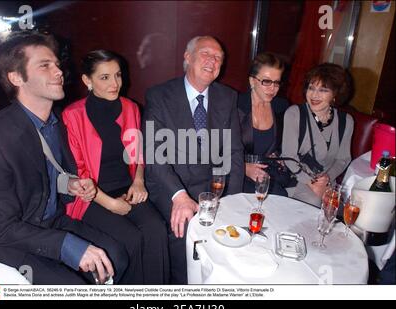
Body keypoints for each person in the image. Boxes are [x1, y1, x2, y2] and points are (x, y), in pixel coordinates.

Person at [0, 31, 130, 285]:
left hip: (48, 221)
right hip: (5, 241)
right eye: (45, 65)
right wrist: (67, 246)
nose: (58, 72)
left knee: (116, 257)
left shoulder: (55, 123)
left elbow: (46, 174)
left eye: (56, 64)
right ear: (16, 77)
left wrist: (70, 183)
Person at [62, 50, 169, 284]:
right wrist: (110, 203)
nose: (115, 84)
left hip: (126, 187)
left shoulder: (131, 108)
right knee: (130, 239)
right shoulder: (72, 115)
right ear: (87, 80)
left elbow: (137, 152)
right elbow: (78, 172)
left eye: (118, 75)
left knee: (156, 230)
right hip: (90, 196)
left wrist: (138, 181)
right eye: (105, 77)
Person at [143, 36, 244, 284]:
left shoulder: (227, 97)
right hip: (171, 186)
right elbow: (154, 154)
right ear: (187, 58)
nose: (212, 60)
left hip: (211, 187)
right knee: (188, 238)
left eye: (218, 57)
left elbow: (234, 152)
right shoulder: (159, 95)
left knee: (232, 238)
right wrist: (178, 196)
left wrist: (233, 198)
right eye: (205, 54)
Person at [281, 63, 354, 207]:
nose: (314, 95)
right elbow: (288, 157)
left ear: (335, 94)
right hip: (297, 178)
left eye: (323, 90)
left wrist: (327, 178)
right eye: (311, 88)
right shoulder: (295, 114)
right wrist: (311, 182)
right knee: (314, 202)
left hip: (326, 181)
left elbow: (343, 159)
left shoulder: (346, 121)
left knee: (341, 207)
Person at [238, 52, 290, 196]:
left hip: (266, 174)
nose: (272, 88)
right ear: (252, 81)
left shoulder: (281, 107)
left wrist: (278, 155)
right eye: (266, 81)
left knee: (281, 197)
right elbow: (217, 151)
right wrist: (244, 168)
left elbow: (282, 143)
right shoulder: (235, 105)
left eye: (277, 82)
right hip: (237, 175)